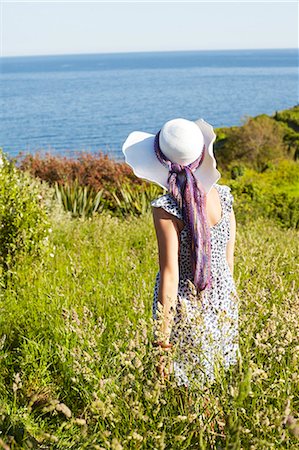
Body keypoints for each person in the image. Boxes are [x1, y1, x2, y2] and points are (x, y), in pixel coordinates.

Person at [122, 117, 240, 389]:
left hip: (186, 310)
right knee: (215, 385)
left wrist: (162, 340)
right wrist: (225, 305)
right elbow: (228, 261)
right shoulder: (224, 197)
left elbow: (170, 275)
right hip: (222, 303)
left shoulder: (166, 208)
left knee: (187, 393)